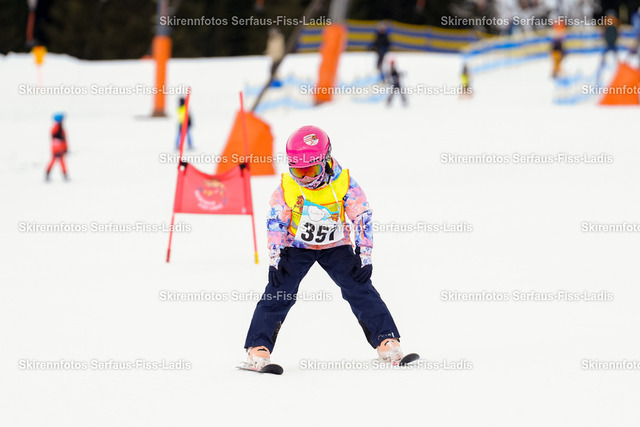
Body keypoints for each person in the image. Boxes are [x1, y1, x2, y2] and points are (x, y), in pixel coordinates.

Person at [243, 125, 404, 369]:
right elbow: (276, 222)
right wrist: (275, 258)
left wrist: (364, 254)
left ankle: (386, 340)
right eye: (298, 171)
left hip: (335, 245)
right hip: (296, 246)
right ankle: (258, 347)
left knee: (359, 289)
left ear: (326, 161)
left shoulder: (344, 183)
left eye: (312, 170)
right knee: (279, 293)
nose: (305, 178)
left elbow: (362, 216)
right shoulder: (288, 188)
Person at [46, 113, 68, 181]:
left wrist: (65, 148)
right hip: (57, 149)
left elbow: (64, 140)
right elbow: (56, 139)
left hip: (60, 148)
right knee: (55, 161)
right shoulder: (56, 128)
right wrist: (59, 149)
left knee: (61, 162)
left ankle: (65, 176)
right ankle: (47, 174)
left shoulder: (60, 128)